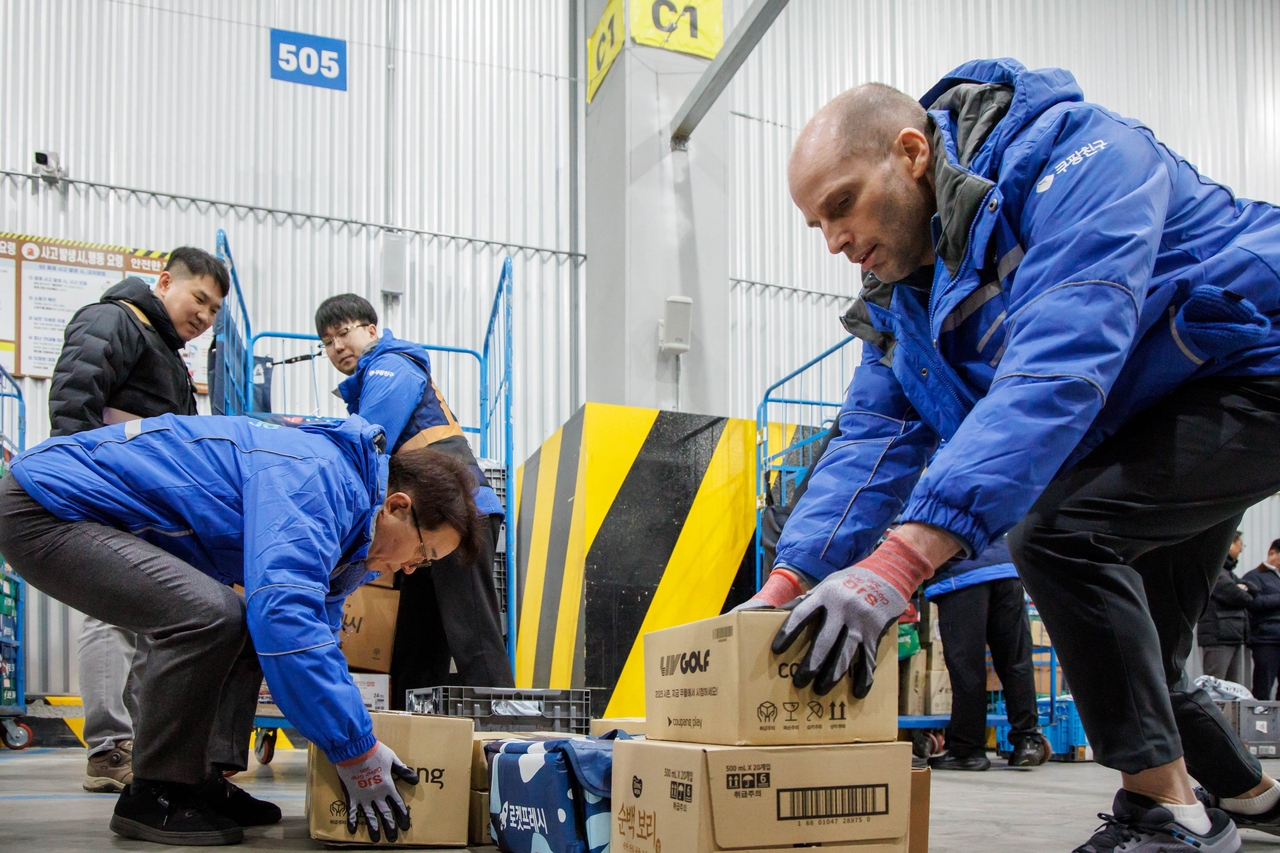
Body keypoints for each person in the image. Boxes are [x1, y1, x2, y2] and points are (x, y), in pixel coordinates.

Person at [742, 59, 1280, 852]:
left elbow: (1059, 364)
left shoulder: (1079, 158)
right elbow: (872, 440)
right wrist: (785, 584)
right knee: (1139, 652)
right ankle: (1253, 796)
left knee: (1059, 533)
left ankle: (1167, 816)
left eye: (842, 205)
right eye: (817, 225)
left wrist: (898, 563)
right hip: (1163, 409)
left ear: (912, 154)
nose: (835, 242)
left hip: (1253, 362)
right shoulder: (907, 300)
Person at [0, 413, 483, 845]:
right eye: (424, 553)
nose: (413, 568)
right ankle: (155, 792)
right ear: (396, 506)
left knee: (244, 620)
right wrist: (355, 750)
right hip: (48, 506)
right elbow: (285, 618)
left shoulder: (352, 535)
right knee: (211, 614)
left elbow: (317, 636)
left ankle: (199, 779)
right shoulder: (317, 480)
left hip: (83, 511)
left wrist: (354, 735)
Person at [47, 247, 228, 793]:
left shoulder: (168, 354)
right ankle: (108, 748)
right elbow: (74, 395)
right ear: (165, 281)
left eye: (214, 310)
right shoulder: (115, 320)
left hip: (148, 504)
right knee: (111, 618)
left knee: (153, 624)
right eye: (199, 299)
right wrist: (83, 483)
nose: (204, 316)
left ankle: (145, 750)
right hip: (109, 493)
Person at [314, 294, 513, 696]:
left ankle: (505, 729)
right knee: (417, 642)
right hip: (419, 524)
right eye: (328, 341)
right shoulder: (370, 382)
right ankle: (415, 726)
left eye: (344, 332)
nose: (337, 346)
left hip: (456, 515)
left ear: (371, 329)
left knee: (474, 639)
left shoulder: (391, 364)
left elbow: (365, 445)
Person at [923, 538, 1048, 771]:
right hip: (1006, 570)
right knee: (1015, 661)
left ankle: (967, 750)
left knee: (967, 668)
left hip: (960, 575)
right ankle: (1027, 741)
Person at [1198, 531, 1250, 684]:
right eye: (1240, 545)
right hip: (1218, 636)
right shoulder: (1215, 571)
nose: (1241, 550)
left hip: (1229, 635)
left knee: (1231, 687)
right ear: (1230, 544)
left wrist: (1243, 588)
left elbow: (1253, 588)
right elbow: (1240, 596)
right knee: (1216, 684)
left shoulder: (1228, 573)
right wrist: (1241, 589)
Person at [1244, 540, 1280, 700]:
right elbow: (1253, 602)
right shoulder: (1254, 576)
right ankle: (1259, 715)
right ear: (1272, 553)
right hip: (1266, 640)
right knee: (1263, 685)